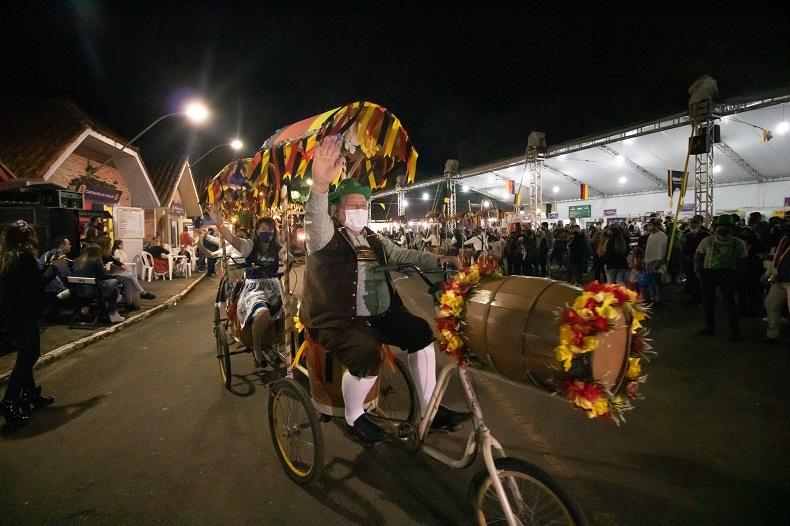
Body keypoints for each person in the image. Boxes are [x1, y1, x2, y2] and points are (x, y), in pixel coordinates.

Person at [301, 137, 471, 443]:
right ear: (336, 211)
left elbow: (404, 255)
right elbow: (314, 219)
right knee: (368, 355)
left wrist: (439, 260)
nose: (359, 209)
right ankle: (354, 417)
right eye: (352, 205)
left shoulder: (374, 238)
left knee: (420, 332)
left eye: (363, 205)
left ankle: (431, 409)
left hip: (379, 313)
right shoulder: (326, 236)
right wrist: (320, 186)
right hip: (338, 321)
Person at [0, 221, 65, 424]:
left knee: (26, 353)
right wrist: (53, 268)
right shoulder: (24, 256)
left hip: (13, 312)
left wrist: (46, 266)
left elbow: (27, 280)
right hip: (25, 312)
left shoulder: (7, 256)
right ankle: (10, 400)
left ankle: (29, 393)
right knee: (29, 354)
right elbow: (37, 284)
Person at [206, 206, 286, 368]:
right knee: (262, 313)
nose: (267, 232)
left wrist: (291, 260)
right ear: (257, 231)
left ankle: (279, 343)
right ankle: (256, 347)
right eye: (263, 229)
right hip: (254, 290)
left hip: (275, 288)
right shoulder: (249, 246)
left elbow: (288, 259)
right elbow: (232, 240)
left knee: (294, 308)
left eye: (270, 229)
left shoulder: (278, 249)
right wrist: (219, 224)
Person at [695, 215, 747, 341]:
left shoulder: (738, 243)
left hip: (728, 274)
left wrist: (738, 277)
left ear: (732, 229)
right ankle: (709, 327)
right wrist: (700, 273)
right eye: (720, 227)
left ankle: (734, 331)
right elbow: (698, 258)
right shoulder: (707, 241)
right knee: (708, 302)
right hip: (708, 273)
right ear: (716, 228)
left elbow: (743, 262)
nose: (723, 230)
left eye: (726, 227)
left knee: (729, 303)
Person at [71, 244, 125, 324]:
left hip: (79, 290)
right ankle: (112, 312)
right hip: (94, 290)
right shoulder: (96, 260)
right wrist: (107, 269)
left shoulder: (77, 261)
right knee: (114, 282)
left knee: (114, 290)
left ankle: (112, 311)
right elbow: (103, 276)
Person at [761, 218, 790, 343]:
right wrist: (768, 273)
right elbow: (777, 259)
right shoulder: (784, 240)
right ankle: (772, 335)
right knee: (771, 304)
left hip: (785, 280)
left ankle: (773, 334)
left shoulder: (784, 240)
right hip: (780, 279)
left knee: (772, 305)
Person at [110, 240, 156, 311]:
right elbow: (118, 261)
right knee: (130, 277)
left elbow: (119, 261)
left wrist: (121, 264)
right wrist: (121, 264)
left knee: (129, 279)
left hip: (120, 270)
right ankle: (142, 293)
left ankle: (130, 303)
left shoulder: (120, 252)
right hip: (115, 272)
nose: (123, 245)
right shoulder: (115, 252)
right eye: (121, 244)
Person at [644, 218, 667, 303]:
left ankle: (658, 297)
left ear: (656, 225)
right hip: (648, 261)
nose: (649, 226)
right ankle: (652, 296)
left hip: (655, 260)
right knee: (650, 281)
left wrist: (659, 260)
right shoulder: (651, 236)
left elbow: (662, 249)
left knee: (657, 280)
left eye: (651, 224)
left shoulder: (661, 236)